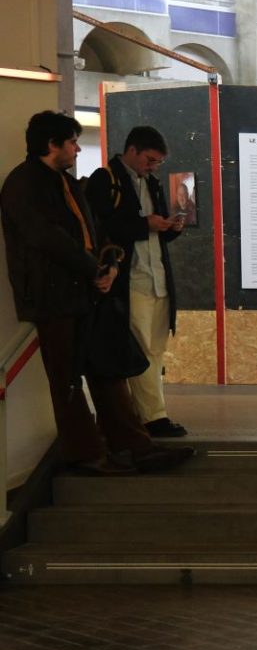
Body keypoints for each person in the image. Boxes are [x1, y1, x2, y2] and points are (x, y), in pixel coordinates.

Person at [0, 111, 191, 475]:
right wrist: (95, 268)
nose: (77, 149)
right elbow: (47, 238)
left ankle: (135, 446)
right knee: (68, 380)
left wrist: (111, 262)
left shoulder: (67, 184)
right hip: (52, 297)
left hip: (85, 294)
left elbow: (96, 230)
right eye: (72, 142)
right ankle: (86, 454)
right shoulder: (23, 184)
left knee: (108, 370)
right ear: (52, 144)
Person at [85, 125, 187, 439]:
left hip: (158, 279)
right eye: (150, 160)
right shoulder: (106, 179)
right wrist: (146, 224)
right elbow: (102, 227)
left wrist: (170, 228)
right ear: (132, 150)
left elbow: (154, 235)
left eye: (158, 162)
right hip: (130, 280)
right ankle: (152, 417)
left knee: (155, 350)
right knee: (140, 350)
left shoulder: (152, 183)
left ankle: (148, 414)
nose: (153, 167)